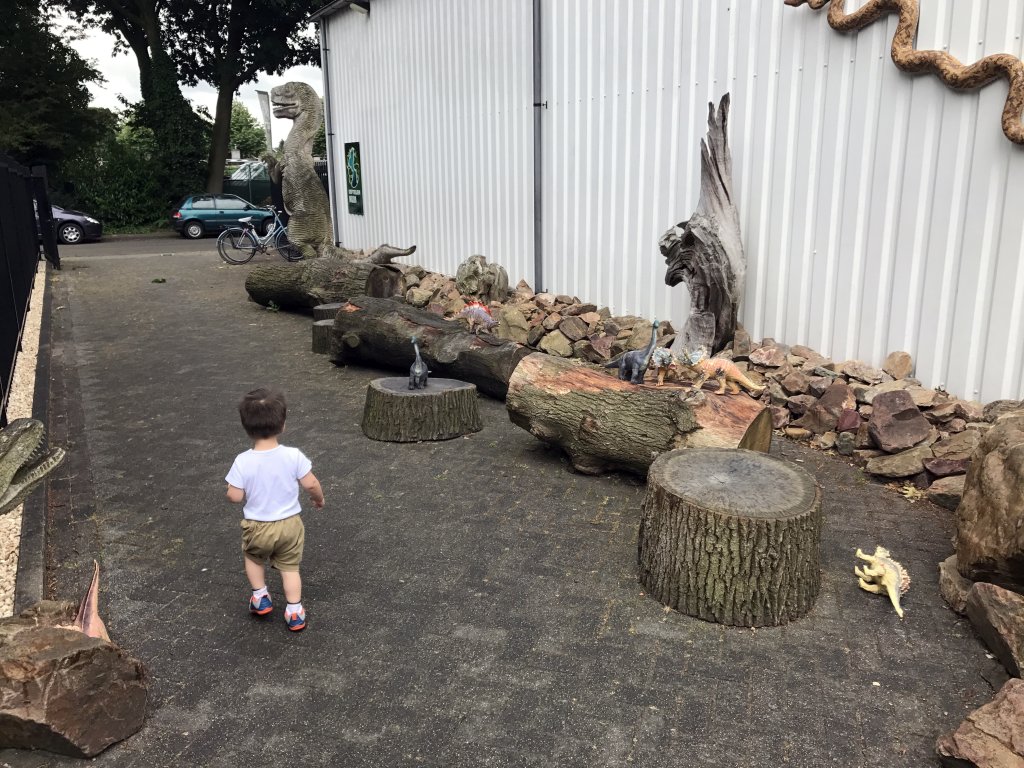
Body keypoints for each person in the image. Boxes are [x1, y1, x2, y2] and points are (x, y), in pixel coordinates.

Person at [225, 388, 324, 632]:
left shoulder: (242, 461)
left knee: (253, 557)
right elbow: (311, 483)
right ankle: (294, 611)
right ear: (283, 424)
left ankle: (260, 596)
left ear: (246, 426)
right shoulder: (293, 456)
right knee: (290, 568)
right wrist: (318, 500)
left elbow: (234, 496)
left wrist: (236, 489)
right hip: (290, 524)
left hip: (258, 526)